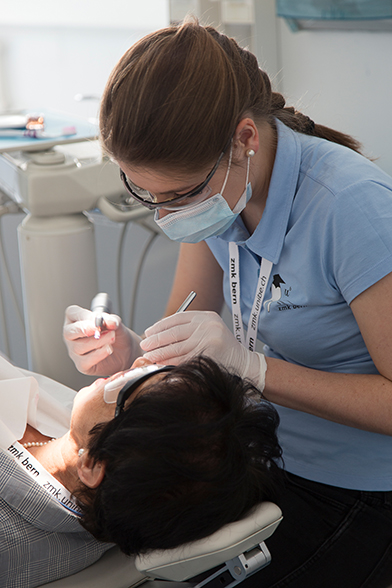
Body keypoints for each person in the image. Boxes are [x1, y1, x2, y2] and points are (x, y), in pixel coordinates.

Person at [63, 20, 392, 587]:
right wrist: (130, 353)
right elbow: (183, 331)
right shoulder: (220, 193)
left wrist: (253, 368)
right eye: (145, 194)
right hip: (257, 461)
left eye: (178, 196)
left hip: (360, 489)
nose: (166, 216)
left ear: (245, 139)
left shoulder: (352, 210)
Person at [0, 352, 281, 588]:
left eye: (136, 385)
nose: (137, 363)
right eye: (162, 370)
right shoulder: (88, 441)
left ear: (93, 465)